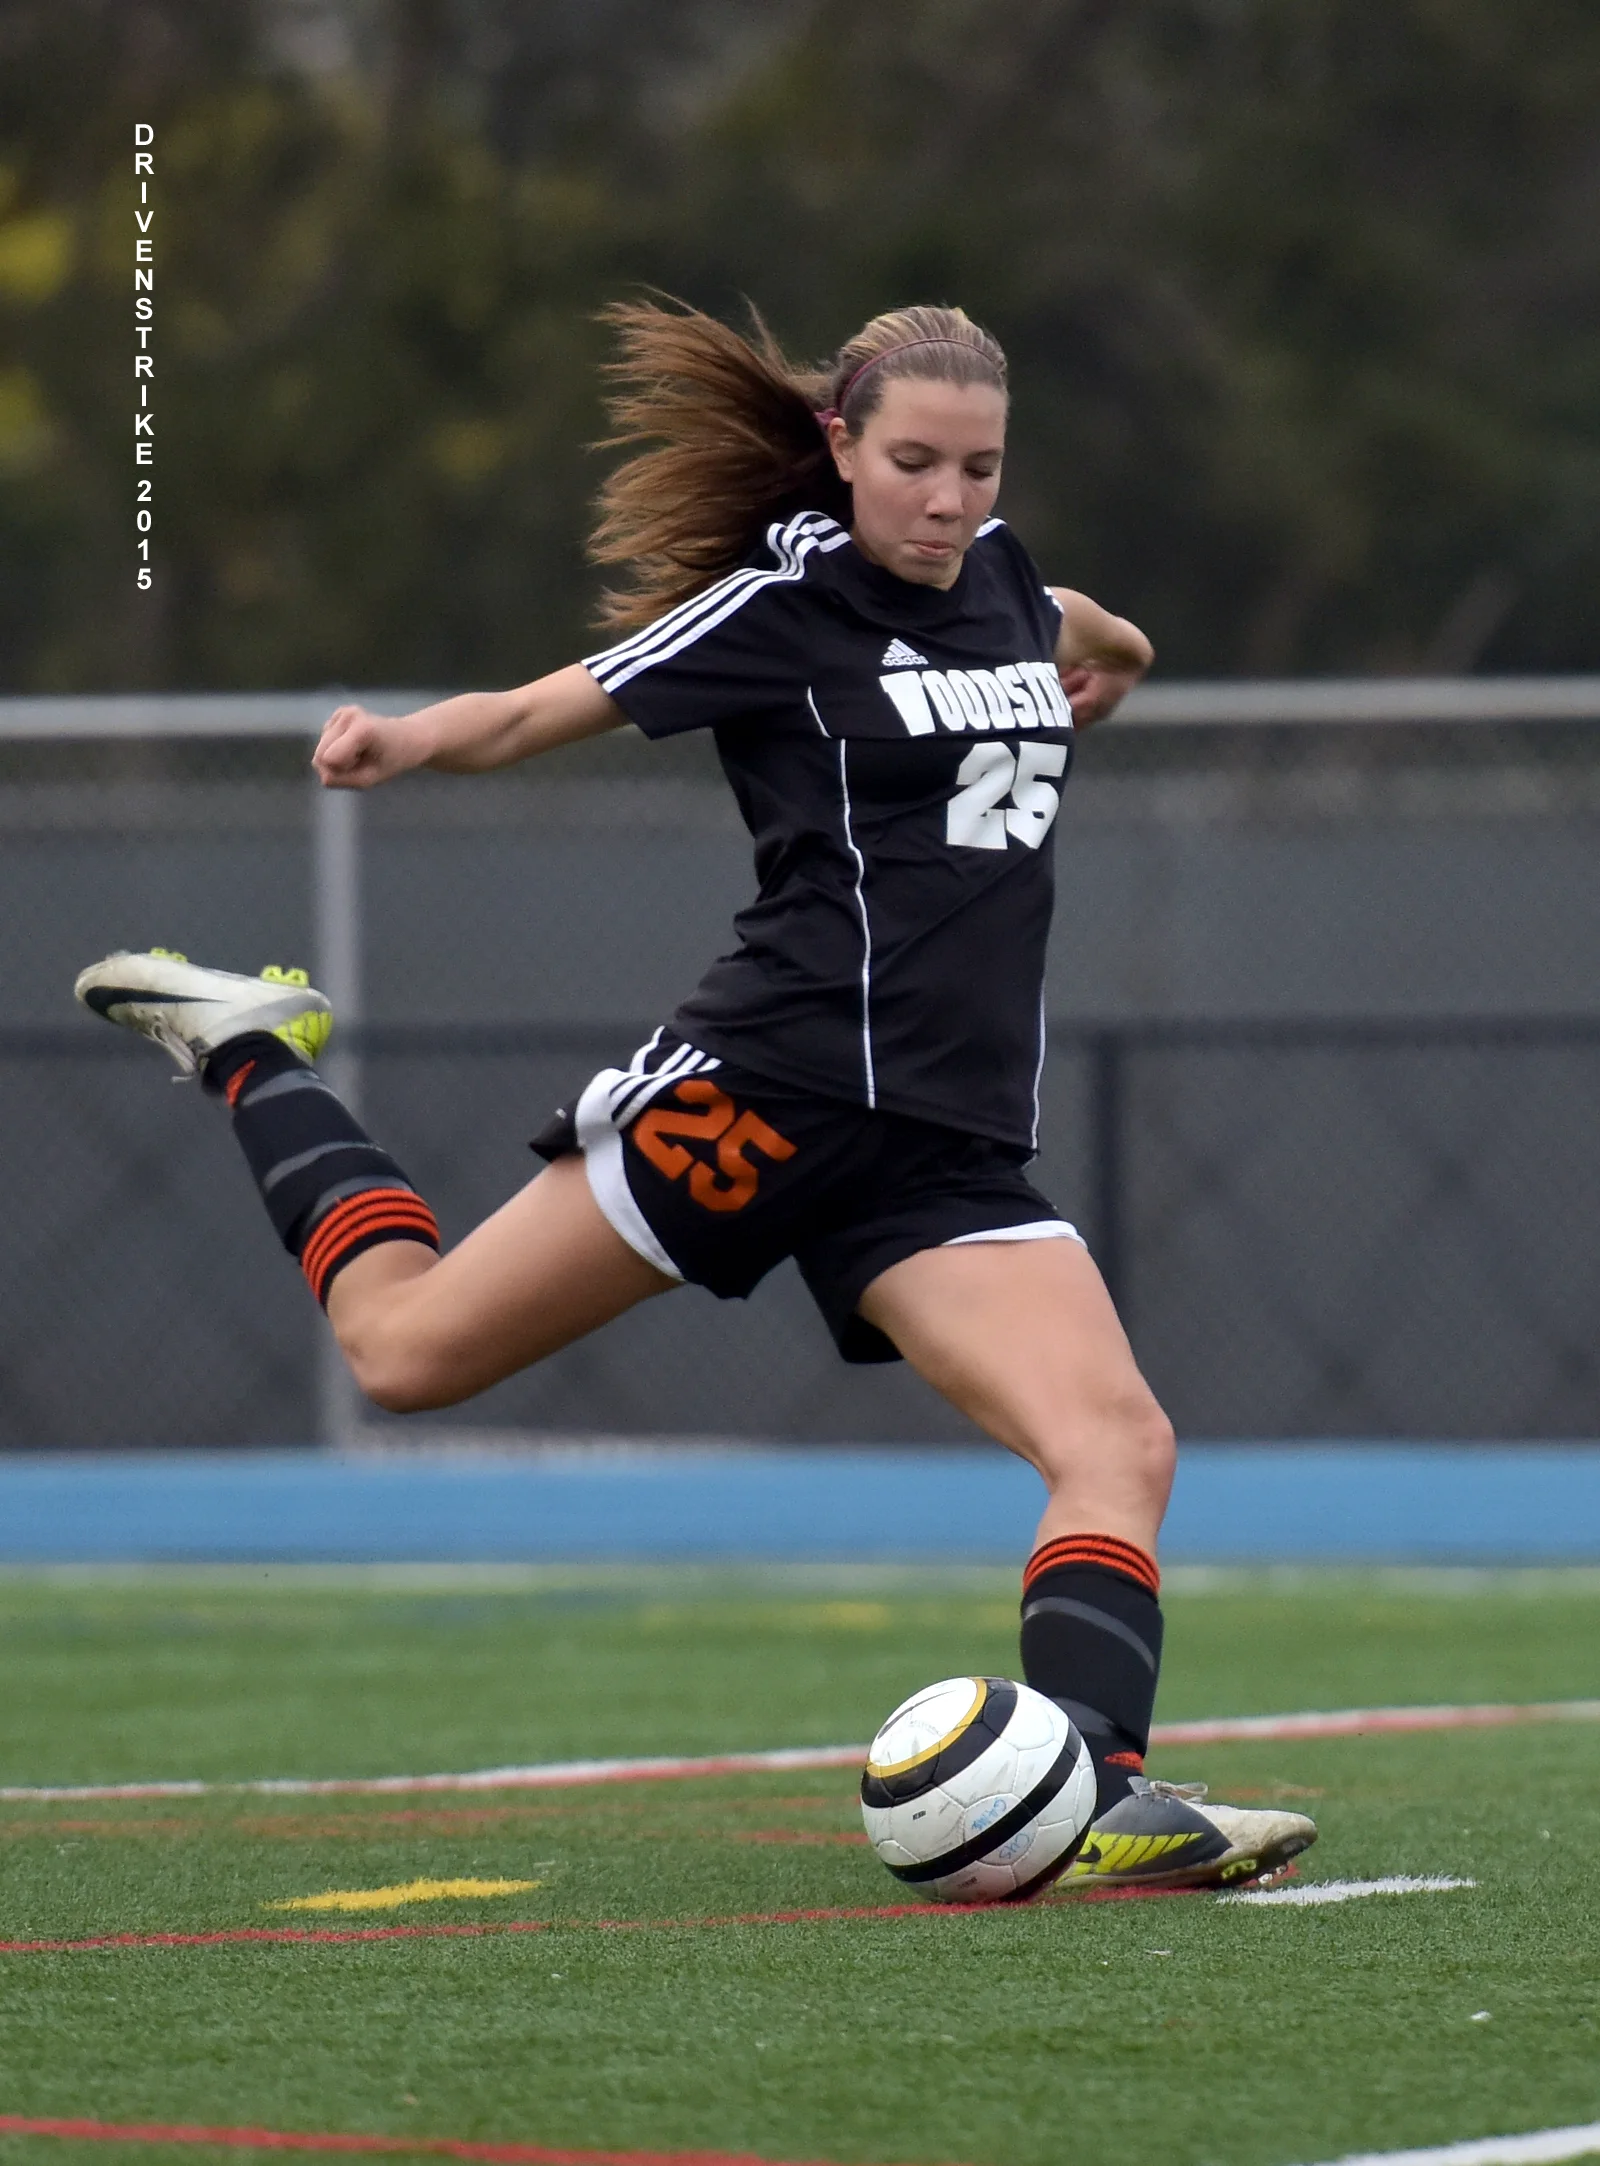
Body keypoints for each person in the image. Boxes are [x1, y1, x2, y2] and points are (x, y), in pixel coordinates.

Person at [75, 297, 1315, 1893]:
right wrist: (399, 740)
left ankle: (1102, 1798)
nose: (948, 499)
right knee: (406, 1351)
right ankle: (244, 1042)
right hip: (770, 1087)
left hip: (941, 1149)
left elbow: (1092, 621)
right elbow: (537, 709)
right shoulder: (782, 608)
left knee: (1119, 1441)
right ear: (842, 449)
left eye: (981, 467)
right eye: (916, 463)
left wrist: (1118, 669)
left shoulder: (1006, 578)